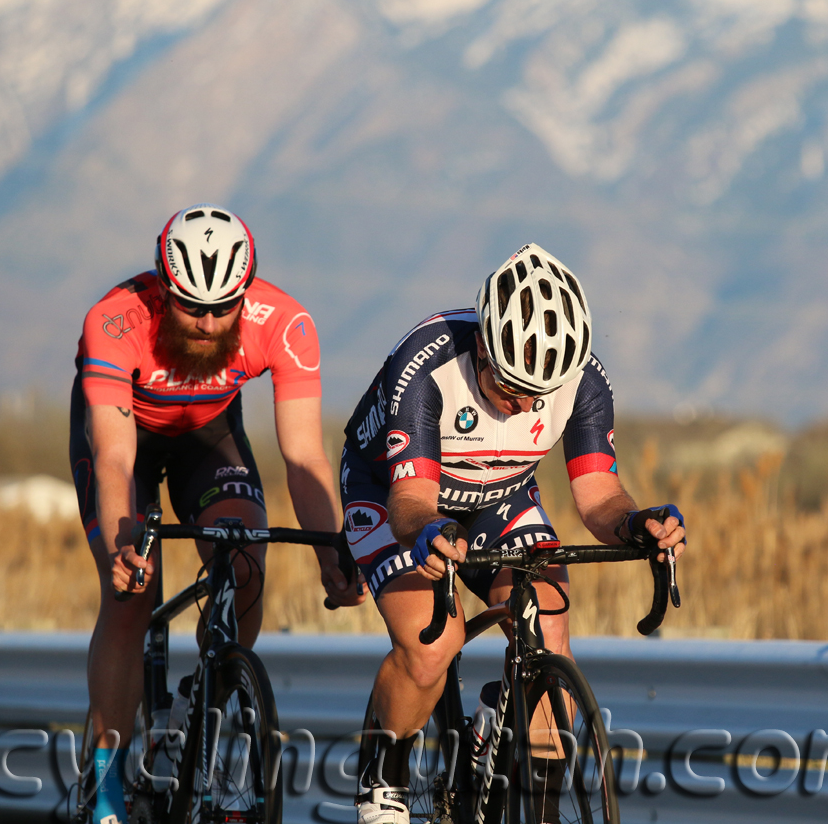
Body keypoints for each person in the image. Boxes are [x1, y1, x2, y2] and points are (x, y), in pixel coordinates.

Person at [332, 243, 686, 824]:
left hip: (499, 497)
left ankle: (536, 800)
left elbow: (598, 496)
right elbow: (412, 501)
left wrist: (636, 524)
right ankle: (384, 779)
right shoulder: (427, 364)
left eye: (538, 395)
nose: (524, 404)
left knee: (549, 633)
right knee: (431, 647)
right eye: (510, 388)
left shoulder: (585, 381)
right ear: (481, 348)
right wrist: (428, 535)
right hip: (394, 493)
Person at [69, 204, 347, 824]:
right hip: (126, 440)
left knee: (246, 556)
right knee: (130, 597)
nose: (207, 321)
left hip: (209, 437)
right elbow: (114, 460)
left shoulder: (286, 323)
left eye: (224, 307)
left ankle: (211, 694)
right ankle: (107, 790)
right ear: (166, 291)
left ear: (244, 296)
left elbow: (304, 457)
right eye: (191, 306)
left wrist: (334, 555)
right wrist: (123, 546)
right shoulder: (115, 321)